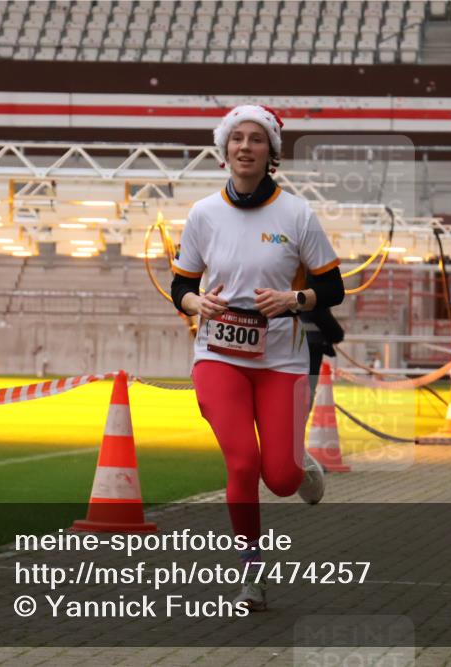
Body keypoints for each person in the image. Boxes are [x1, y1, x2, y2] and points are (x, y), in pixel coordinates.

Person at [170, 104, 344, 611]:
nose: (245, 147)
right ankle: (252, 576)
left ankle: (299, 462)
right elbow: (182, 281)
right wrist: (194, 302)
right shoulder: (204, 213)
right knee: (242, 463)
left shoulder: (297, 213)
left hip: (281, 361)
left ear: (272, 154)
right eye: (236, 139)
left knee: (282, 480)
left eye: (256, 139)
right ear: (224, 151)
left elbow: (331, 286)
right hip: (218, 356)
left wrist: (295, 300)